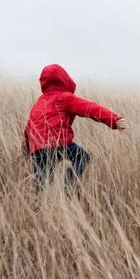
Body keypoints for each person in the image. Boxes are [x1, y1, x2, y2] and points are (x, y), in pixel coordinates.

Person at [22, 64, 127, 195]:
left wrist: (26, 151)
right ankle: (68, 184)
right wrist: (114, 119)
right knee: (82, 157)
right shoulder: (65, 97)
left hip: (38, 149)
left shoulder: (39, 102)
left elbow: (29, 127)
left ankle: (36, 209)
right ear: (64, 79)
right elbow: (90, 108)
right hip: (59, 143)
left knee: (40, 185)